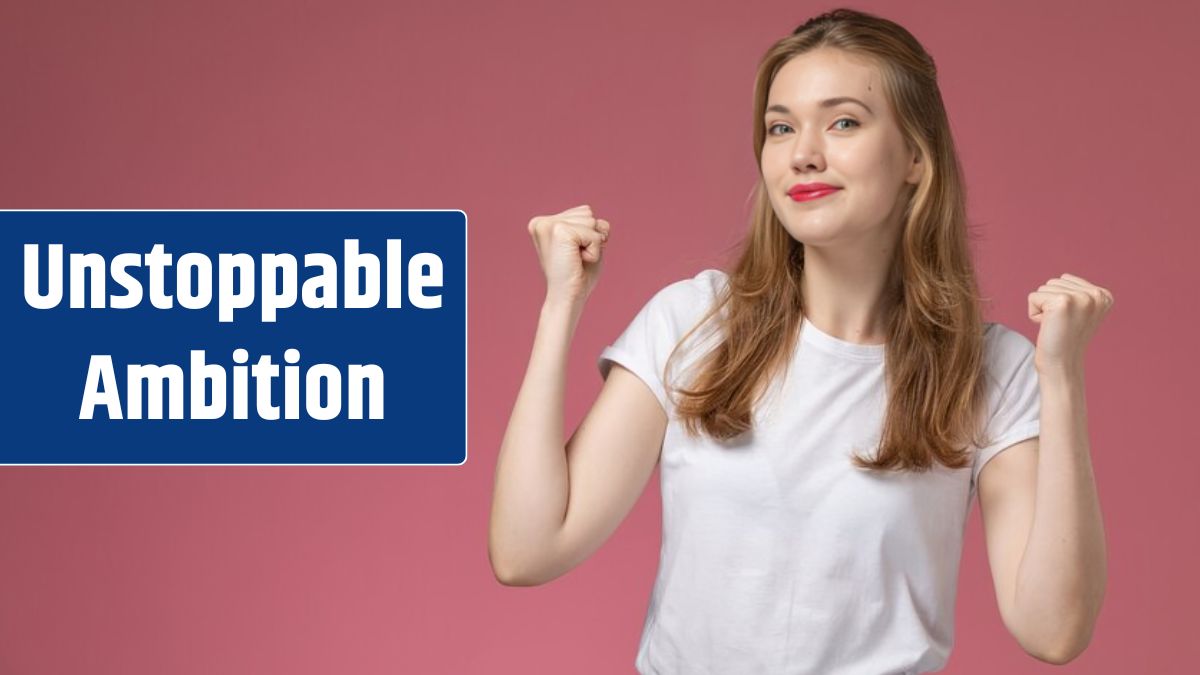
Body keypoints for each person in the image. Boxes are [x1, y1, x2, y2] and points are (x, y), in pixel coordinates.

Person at [488, 8, 1111, 674]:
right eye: (781, 126)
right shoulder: (693, 322)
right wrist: (561, 305)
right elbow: (528, 550)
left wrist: (1062, 381)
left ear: (915, 158)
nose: (803, 151)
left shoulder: (992, 368)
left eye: (843, 121)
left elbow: (1053, 629)